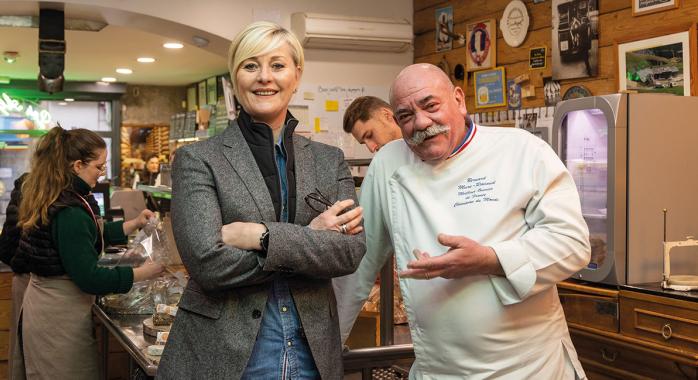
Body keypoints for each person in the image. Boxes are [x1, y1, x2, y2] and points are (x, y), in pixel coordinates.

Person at [336, 63, 591, 379]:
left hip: (532, 366)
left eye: (431, 106)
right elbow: (358, 264)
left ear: (458, 99)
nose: (421, 122)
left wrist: (489, 259)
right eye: (406, 116)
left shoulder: (521, 150)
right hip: (440, 369)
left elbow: (572, 243)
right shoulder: (388, 164)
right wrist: (326, 349)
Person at [157, 21, 365, 380]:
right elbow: (209, 265)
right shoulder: (199, 160)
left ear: (296, 75)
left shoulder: (329, 161)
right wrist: (310, 239)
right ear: (235, 77)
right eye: (250, 65)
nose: (264, 77)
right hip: (226, 355)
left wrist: (262, 237)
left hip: (312, 353)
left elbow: (348, 252)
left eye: (278, 65)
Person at [15, 126, 165, 379]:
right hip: (57, 314)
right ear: (77, 166)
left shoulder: (68, 194)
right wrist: (141, 273)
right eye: (98, 166)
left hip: (51, 306)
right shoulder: (69, 210)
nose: (101, 173)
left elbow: (89, 234)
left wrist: (134, 223)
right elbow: (89, 277)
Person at [0, 173, 29, 380]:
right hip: (30, 281)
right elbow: (7, 247)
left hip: (26, 278)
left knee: (20, 353)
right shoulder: (33, 187)